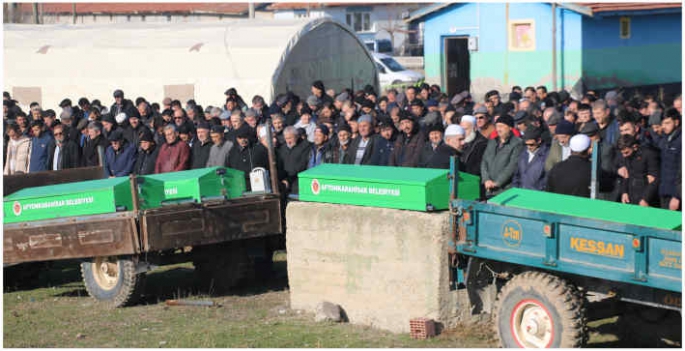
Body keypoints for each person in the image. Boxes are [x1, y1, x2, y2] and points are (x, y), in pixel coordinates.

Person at [480, 114, 523, 198]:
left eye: (501, 126)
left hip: (505, 190)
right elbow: (484, 161)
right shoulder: (492, 142)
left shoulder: (517, 143)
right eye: (497, 126)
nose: (498, 129)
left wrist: (497, 182)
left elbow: (512, 166)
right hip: (489, 189)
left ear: (510, 127)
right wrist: (486, 179)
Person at [616, 134, 659, 207]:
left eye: (626, 152)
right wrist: (624, 192)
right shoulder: (627, 156)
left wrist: (645, 198)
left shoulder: (649, 154)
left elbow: (655, 179)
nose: (624, 156)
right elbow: (626, 176)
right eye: (622, 153)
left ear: (635, 147)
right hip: (631, 196)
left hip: (646, 198)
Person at [654, 108, 681, 210]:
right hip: (664, 191)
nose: (663, 126)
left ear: (676, 122)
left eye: (667, 123)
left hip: (676, 195)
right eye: (663, 123)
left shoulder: (680, 141)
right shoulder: (664, 139)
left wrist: (677, 195)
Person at [277, 126, 311, 195]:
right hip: (285, 182)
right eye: (286, 138)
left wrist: (289, 179)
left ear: (297, 136)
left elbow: (302, 165)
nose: (288, 141)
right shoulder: (283, 148)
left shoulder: (305, 146)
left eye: (290, 138)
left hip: (298, 182)